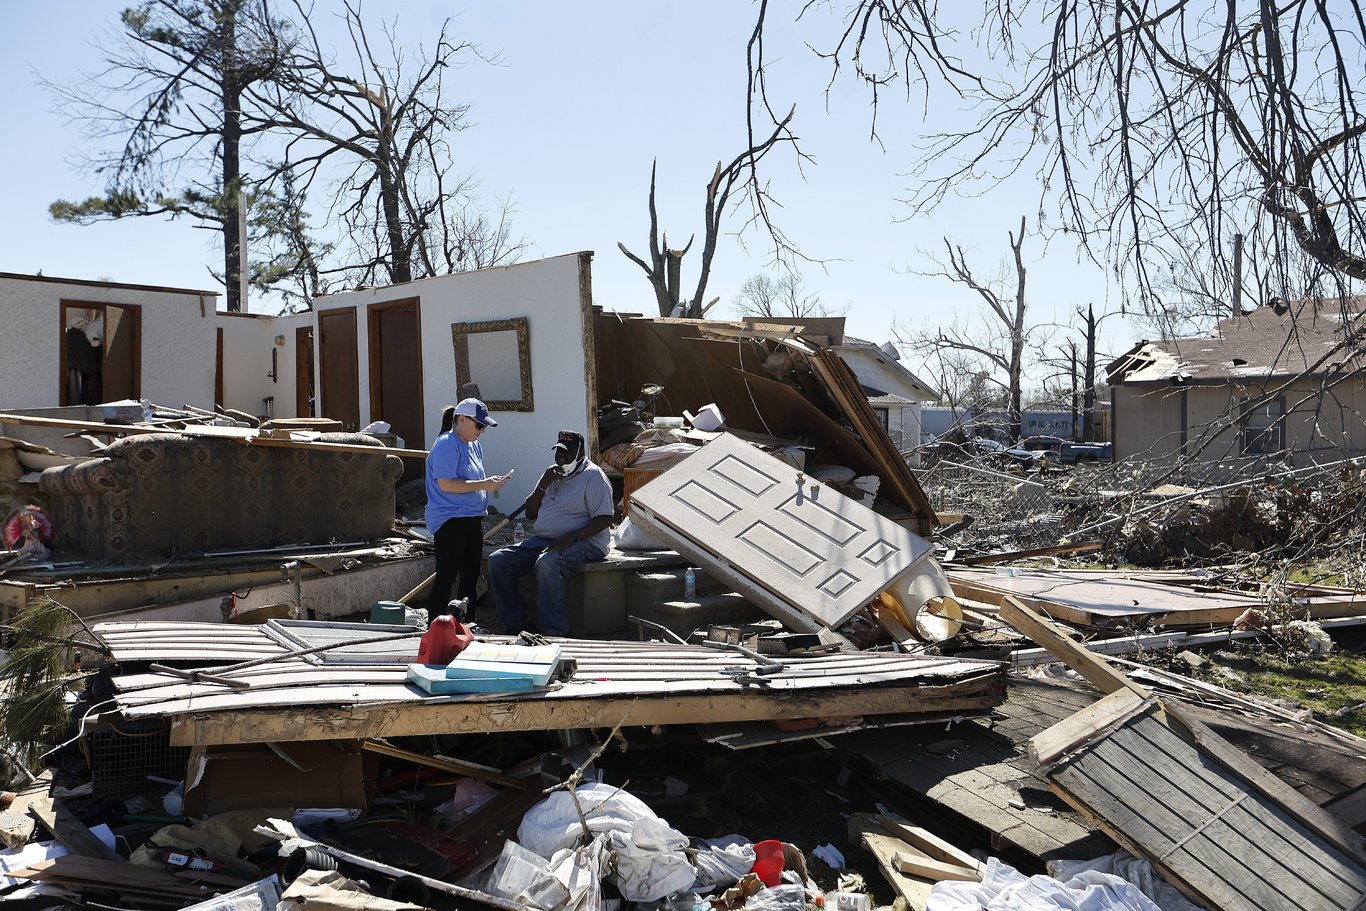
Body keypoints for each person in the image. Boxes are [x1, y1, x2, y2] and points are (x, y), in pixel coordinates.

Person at [488, 430, 614, 636]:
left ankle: (556, 631)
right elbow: (530, 513)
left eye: (568, 453)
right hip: (545, 539)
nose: (561, 457)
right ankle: (517, 624)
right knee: (498, 560)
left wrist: (571, 538)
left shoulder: (593, 475)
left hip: (586, 541)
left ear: (581, 453)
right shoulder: (551, 473)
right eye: (558, 452)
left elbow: (605, 518)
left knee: (547, 562)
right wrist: (542, 485)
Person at [425, 398, 509, 621]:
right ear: (461, 419)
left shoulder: (474, 446)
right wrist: (485, 484)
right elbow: (446, 484)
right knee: (447, 577)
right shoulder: (446, 444)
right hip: (450, 519)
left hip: (472, 519)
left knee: (470, 578)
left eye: (484, 427)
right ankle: (434, 628)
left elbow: (474, 481)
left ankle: (466, 626)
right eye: (479, 425)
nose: (482, 431)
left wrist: (491, 484)